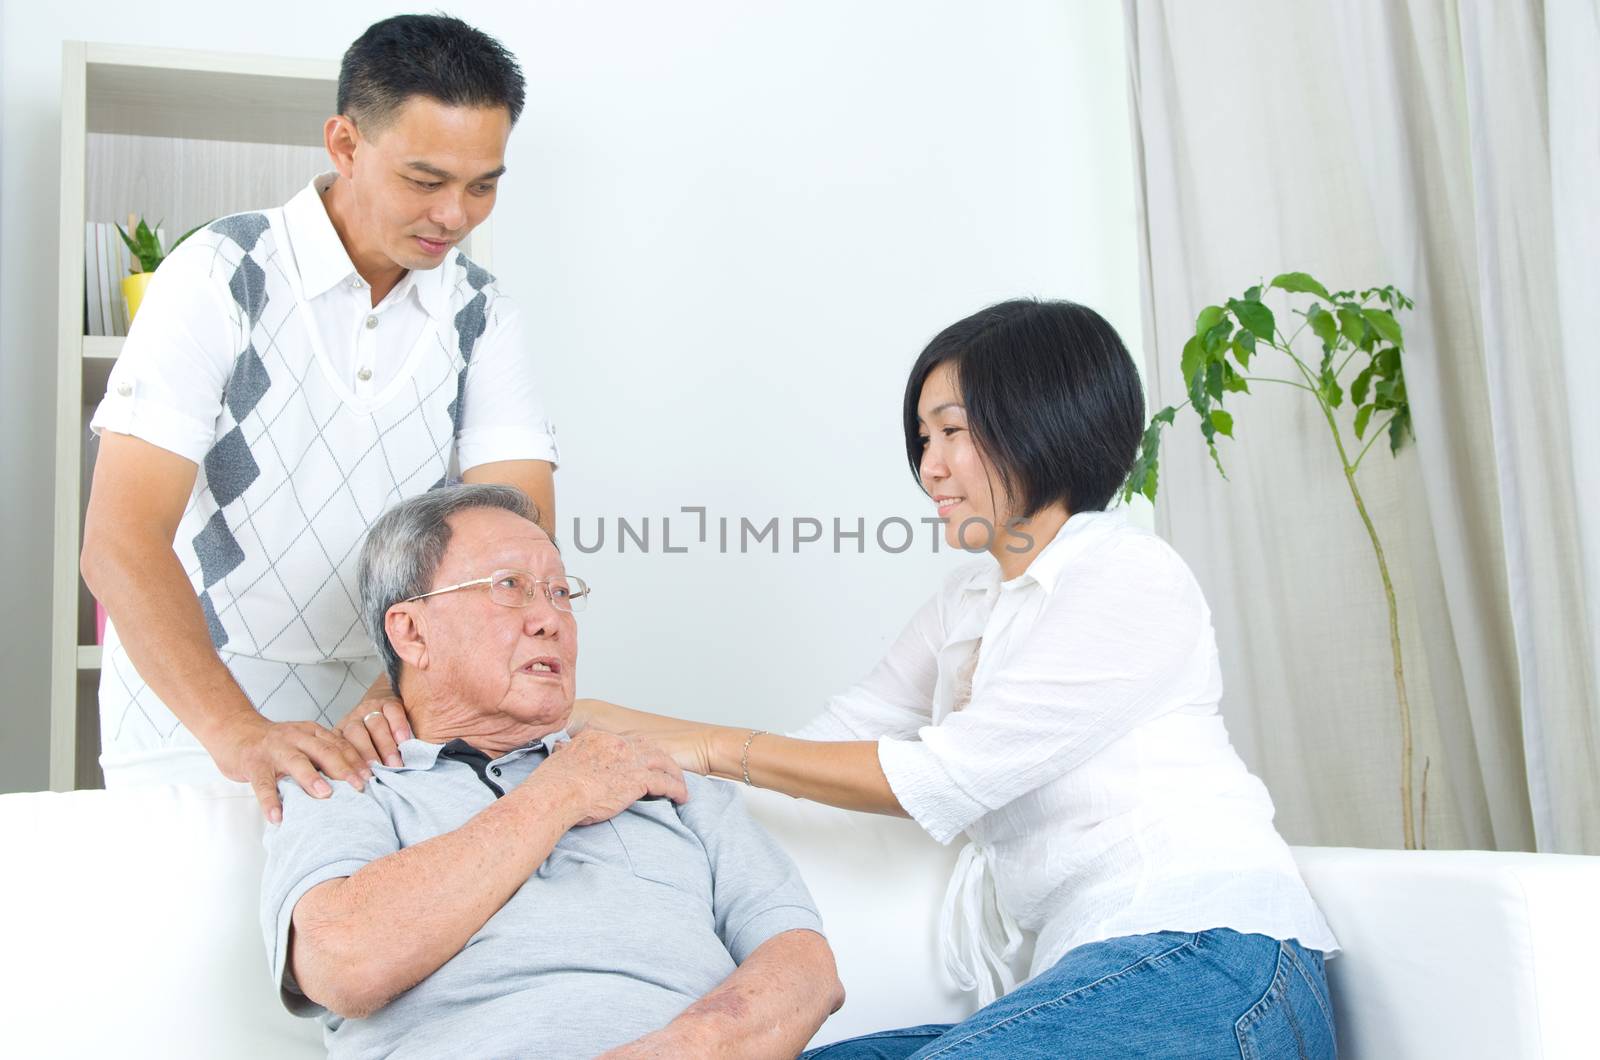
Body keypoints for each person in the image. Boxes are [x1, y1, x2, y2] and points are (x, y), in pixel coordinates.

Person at [578, 300, 1341, 1057]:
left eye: (952, 432)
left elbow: (943, 778)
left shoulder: (1128, 573)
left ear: (1046, 421)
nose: (928, 467)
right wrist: (618, 745)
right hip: (1081, 980)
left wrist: (706, 747)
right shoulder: (966, 602)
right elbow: (834, 739)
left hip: (1213, 963)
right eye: (922, 438)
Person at [81, 14, 558, 822]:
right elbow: (120, 541)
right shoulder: (222, 276)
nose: (455, 215)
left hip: (384, 704)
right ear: (344, 144)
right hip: (191, 704)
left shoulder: (481, 314)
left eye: (482, 184)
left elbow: (519, 538)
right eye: (425, 179)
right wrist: (238, 731)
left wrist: (403, 689)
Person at [261, 483, 843, 1058]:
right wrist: (563, 790)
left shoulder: (663, 780)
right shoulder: (344, 784)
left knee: (937, 1041)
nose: (550, 619)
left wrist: (688, 1048)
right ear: (411, 632)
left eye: (562, 592)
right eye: (509, 587)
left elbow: (807, 969)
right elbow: (343, 962)